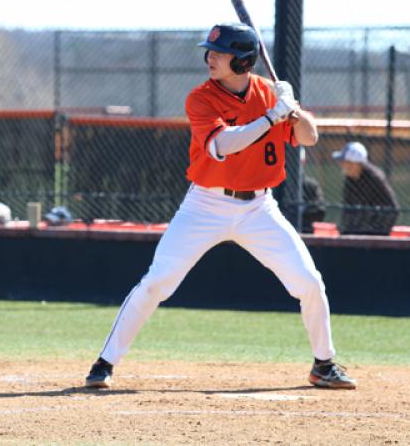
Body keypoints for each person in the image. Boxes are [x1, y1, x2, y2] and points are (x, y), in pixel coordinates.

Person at [85, 23, 356, 390]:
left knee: (309, 282)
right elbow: (225, 145)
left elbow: (310, 137)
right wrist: (273, 116)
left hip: (259, 208)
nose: (209, 57)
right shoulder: (201, 98)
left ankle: (323, 364)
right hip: (205, 204)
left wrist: (293, 110)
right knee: (158, 282)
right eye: (210, 50)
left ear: (243, 61)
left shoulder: (269, 96)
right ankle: (105, 362)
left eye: (220, 52)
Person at [332, 141, 399, 235]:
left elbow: (393, 209)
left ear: (354, 164)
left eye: (344, 161)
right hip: (354, 232)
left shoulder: (375, 178)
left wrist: (376, 231)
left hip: (376, 236)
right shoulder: (349, 179)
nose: (341, 165)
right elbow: (348, 208)